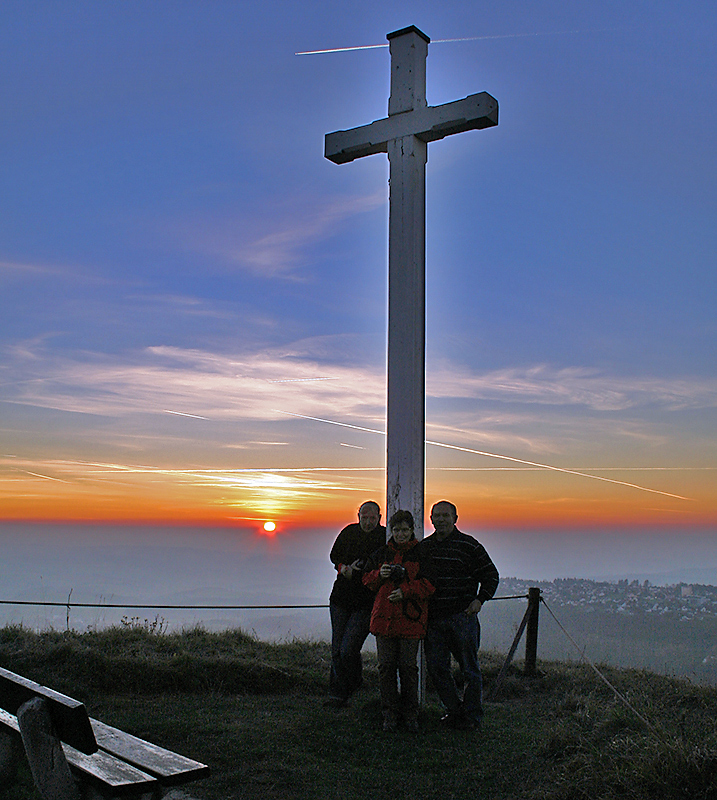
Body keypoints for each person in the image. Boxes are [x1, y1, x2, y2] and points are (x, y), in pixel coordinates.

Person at [419, 500, 499, 731]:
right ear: (431, 519)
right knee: (436, 668)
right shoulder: (425, 548)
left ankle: (472, 716)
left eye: (446, 515)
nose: (441, 519)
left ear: (455, 518)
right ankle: (454, 711)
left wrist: (479, 600)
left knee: (469, 669)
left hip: (462, 617)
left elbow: (491, 574)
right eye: (437, 515)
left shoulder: (469, 546)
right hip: (433, 620)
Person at [362, 510, 435, 733]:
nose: (400, 534)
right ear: (391, 531)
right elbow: (366, 579)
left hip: (410, 621)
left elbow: (430, 584)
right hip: (385, 620)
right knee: (385, 668)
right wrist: (379, 575)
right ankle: (390, 714)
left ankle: (410, 714)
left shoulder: (422, 554)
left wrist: (405, 591)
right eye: (396, 530)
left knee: (408, 669)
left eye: (404, 530)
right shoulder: (382, 553)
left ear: (412, 530)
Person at [326, 501, 387, 708]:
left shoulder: (384, 537)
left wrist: (356, 573)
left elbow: (383, 566)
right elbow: (334, 556)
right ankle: (338, 692)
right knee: (337, 649)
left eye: (372, 518)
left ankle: (351, 684)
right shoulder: (349, 532)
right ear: (358, 515)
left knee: (348, 649)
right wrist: (343, 568)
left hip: (366, 602)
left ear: (380, 517)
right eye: (364, 517)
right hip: (340, 599)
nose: (368, 522)